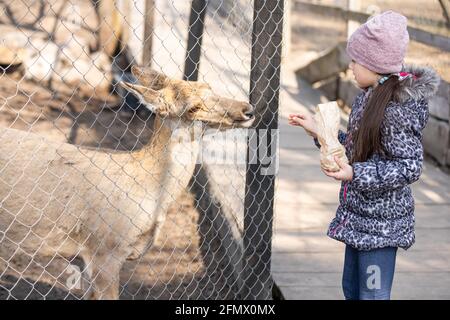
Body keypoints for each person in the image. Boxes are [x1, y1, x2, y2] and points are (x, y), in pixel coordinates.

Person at [288, 10, 440, 300]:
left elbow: (409, 166)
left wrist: (355, 173)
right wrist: (321, 133)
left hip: (381, 227)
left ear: (376, 64)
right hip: (360, 220)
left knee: (371, 295)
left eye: (357, 60)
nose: (351, 65)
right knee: (352, 291)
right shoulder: (369, 96)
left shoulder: (396, 109)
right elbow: (358, 150)